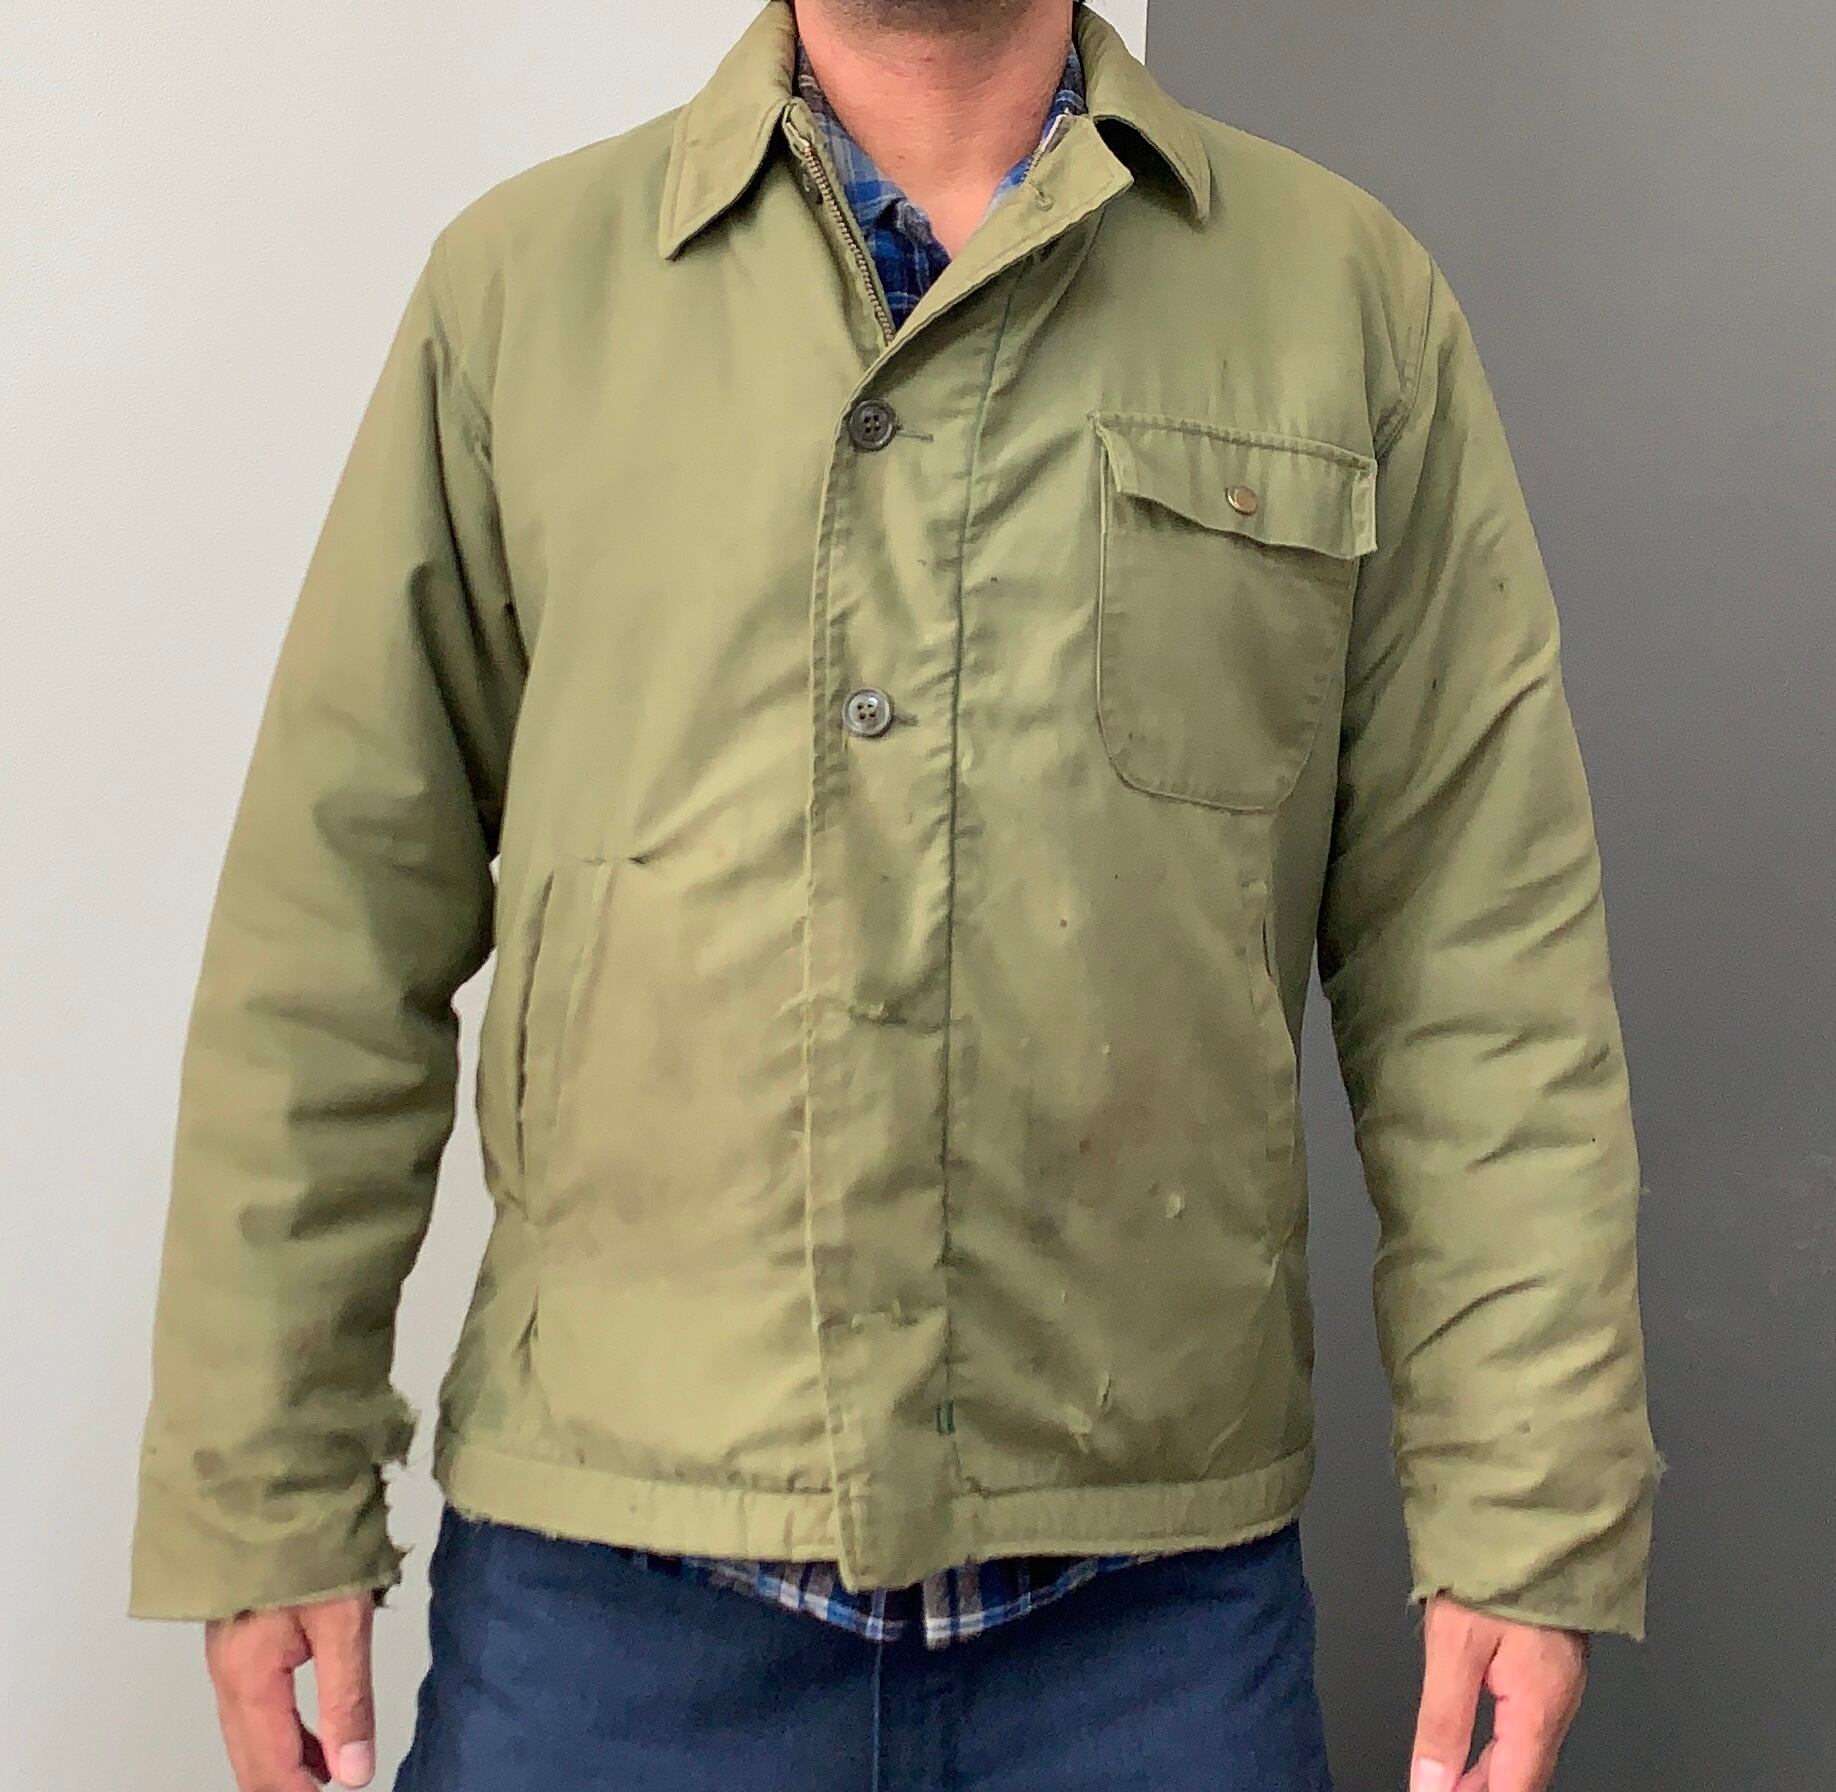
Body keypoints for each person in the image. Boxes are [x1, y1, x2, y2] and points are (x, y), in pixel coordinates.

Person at [125, 2, 1663, 1788]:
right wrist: (267, 1489)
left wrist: (1530, 1513)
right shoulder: (524, 297)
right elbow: (333, 929)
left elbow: (1484, 969)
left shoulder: (1342, 306)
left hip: (1149, 1637)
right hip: (611, 1620)